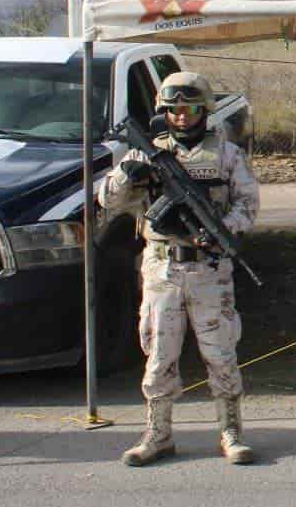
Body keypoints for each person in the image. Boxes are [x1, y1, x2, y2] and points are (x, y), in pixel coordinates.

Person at [100, 72, 261, 467]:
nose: (181, 117)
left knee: (221, 353)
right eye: (173, 110)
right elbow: (106, 200)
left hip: (209, 270)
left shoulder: (227, 155)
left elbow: (248, 204)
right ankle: (158, 433)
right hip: (162, 269)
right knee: (158, 354)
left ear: (204, 111)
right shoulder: (144, 154)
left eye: (189, 109)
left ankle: (231, 430)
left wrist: (222, 231)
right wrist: (127, 176)